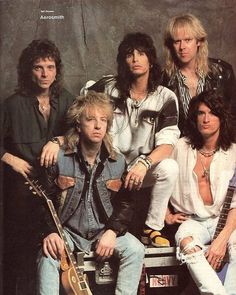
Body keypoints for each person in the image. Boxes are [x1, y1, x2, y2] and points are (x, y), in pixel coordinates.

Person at [37, 91, 145, 295]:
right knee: (49, 253)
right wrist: (50, 231)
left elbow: (126, 203)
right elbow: (44, 201)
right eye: (91, 119)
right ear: (78, 125)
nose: (98, 126)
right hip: (67, 232)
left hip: (102, 231)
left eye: (103, 120)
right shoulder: (59, 158)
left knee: (136, 249)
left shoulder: (118, 161)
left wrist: (112, 231)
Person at [83, 32, 180, 247]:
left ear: (150, 59)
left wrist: (143, 164)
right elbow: (80, 109)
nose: (135, 59)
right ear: (123, 60)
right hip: (106, 166)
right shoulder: (107, 87)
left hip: (141, 169)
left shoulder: (165, 97)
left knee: (170, 168)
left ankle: (152, 228)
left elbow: (167, 144)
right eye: (129, 55)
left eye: (141, 53)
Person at [0, 39, 75, 294]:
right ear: (28, 71)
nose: (45, 74)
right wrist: (10, 158)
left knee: (52, 249)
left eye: (50, 67)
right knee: (20, 250)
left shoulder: (66, 99)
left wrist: (59, 140)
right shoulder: (12, 104)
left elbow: (82, 131)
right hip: (20, 188)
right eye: (38, 67)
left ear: (57, 70)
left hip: (55, 185)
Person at [165, 90, 236, 295]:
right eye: (200, 113)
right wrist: (166, 214)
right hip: (192, 219)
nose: (206, 119)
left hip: (225, 219)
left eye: (212, 113)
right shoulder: (180, 147)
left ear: (222, 118)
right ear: (194, 117)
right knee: (185, 239)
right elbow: (157, 177)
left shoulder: (233, 152)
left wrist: (221, 240)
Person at [162, 13, 236, 134]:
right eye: (177, 41)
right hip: (181, 148)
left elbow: (233, 117)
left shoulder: (222, 72)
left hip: (219, 146)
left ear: (199, 42)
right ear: (171, 45)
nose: (182, 47)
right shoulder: (163, 80)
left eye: (188, 40)